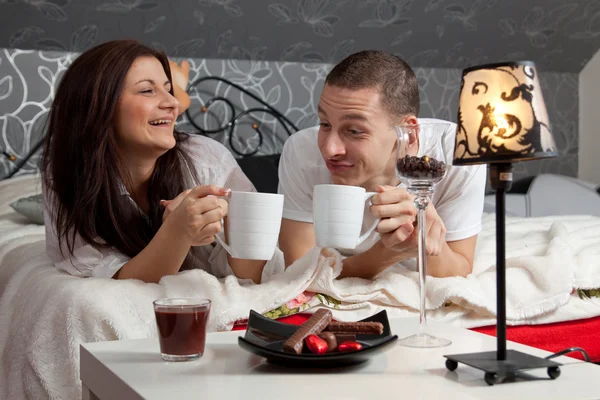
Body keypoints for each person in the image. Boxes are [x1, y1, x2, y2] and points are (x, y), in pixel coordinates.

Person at [41, 40, 281, 284]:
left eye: (169, 89)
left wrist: (238, 227)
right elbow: (112, 280)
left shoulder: (208, 159)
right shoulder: (65, 174)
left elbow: (252, 280)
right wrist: (177, 232)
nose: (173, 103)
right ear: (98, 106)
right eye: (147, 90)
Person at [277, 50, 486, 279]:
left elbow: (459, 267)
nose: (329, 149)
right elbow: (299, 273)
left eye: (354, 131)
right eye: (325, 124)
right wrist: (386, 254)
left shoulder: (455, 152)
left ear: (409, 133)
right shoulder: (302, 152)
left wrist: (424, 239)